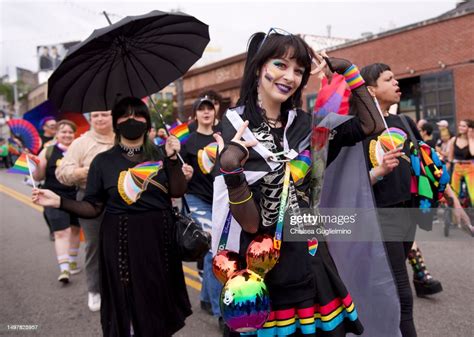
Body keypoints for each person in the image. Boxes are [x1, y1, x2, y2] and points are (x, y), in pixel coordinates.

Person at [212, 29, 388, 337]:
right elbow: (252, 224)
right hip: (262, 262)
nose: (290, 76)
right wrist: (231, 169)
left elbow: (369, 125)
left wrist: (348, 71)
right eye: (280, 65)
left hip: (309, 253)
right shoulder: (234, 127)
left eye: (299, 70)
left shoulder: (307, 126)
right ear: (258, 67)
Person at [33, 97, 192, 337]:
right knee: (126, 298)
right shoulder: (102, 161)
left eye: (138, 115)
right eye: (125, 116)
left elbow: (178, 191)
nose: (132, 120)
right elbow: (94, 207)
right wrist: (59, 201)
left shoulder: (161, 153)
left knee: (158, 296)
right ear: (116, 123)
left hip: (160, 238)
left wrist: (171, 158)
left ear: (147, 122)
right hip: (120, 240)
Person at [361, 63, 470, 336]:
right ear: (371, 90)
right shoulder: (360, 128)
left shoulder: (404, 122)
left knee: (388, 291)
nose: (397, 83)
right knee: (401, 293)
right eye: (389, 79)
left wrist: (453, 200)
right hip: (381, 214)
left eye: (395, 77)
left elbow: (431, 164)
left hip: (407, 212)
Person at [56, 110, 115, 312]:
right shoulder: (80, 143)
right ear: (90, 118)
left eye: (104, 115)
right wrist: (82, 172)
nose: (100, 119)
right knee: (94, 245)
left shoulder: (122, 137)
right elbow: (62, 172)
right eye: (96, 115)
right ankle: (94, 289)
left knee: (124, 243)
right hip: (90, 200)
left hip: (121, 199)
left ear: (112, 117)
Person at [181, 96, 223, 329]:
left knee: (214, 250)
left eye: (209, 108)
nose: (206, 112)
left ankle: (206, 298)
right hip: (196, 199)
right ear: (196, 114)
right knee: (212, 251)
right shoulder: (188, 141)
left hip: (220, 198)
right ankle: (220, 312)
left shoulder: (222, 136)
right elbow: (178, 174)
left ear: (215, 112)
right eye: (201, 109)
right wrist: (183, 171)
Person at [32, 120, 80, 283]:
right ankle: (64, 269)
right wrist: (35, 164)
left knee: (75, 230)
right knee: (61, 232)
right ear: (57, 134)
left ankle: (72, 261)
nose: (67, 135)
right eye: (63, 132)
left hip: (76, 196)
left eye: (70, 132)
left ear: (74, 134)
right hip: (52, 196)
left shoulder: (79, 150)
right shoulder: (48, 150)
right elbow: (38, 176)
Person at [448, 119, 474, 208]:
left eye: (464, 126)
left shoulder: (472, 140)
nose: (461, 127)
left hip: (469, 168)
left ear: (469, 128)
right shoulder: (453, 140)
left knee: (473, 194)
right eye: (460, 125)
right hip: (457, 168)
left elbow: (473, 153)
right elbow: (450, 157)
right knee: (454, 194)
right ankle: (455, 220)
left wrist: (470, 138)